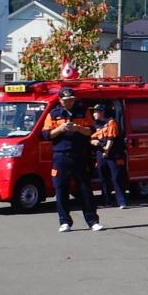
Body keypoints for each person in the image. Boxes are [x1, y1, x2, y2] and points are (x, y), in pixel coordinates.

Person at [45, 86, 103, 232]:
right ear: (60, 100)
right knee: (61, 190)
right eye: (66, 100)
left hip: (79, 155)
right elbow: (46, 135)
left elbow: (92, 131)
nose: (69, 102)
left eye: (71, 100)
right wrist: (60, 129)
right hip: (60, 156)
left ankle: (92, 221)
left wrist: (78, 128)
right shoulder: (54, 113)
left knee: (85, 189)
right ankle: (65, 221)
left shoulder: (83, 111)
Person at [91, 102, 132, 209]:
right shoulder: (94, 124)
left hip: (112, 154)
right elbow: (91, 137)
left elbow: (111, 138)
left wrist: (107, 150)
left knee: (116, 178)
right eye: (94, 112)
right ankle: (107, 201)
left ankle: (121, 202)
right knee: (103, 178)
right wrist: (94, 142)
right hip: (100, 154)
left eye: (96, 112)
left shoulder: (110, 122)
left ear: (102, 112)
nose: (94, 114)